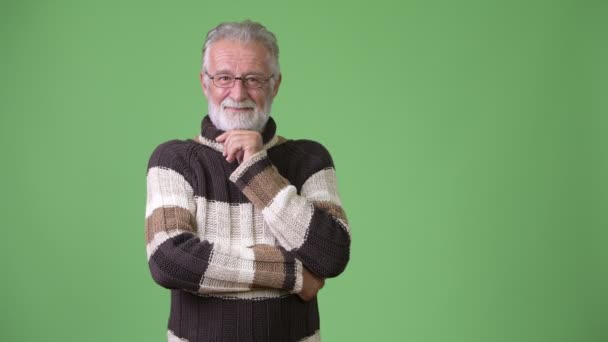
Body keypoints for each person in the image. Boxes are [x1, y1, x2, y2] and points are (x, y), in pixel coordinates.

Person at [144, 20, 351, 342]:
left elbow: (330, 255)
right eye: (224, 78)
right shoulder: (174, 160)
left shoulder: (309, 159)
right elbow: (168, 260)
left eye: (253, 79)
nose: (238, 93)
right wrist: (294, 274)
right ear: (204, 83)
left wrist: (257, 168)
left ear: (276, 84)